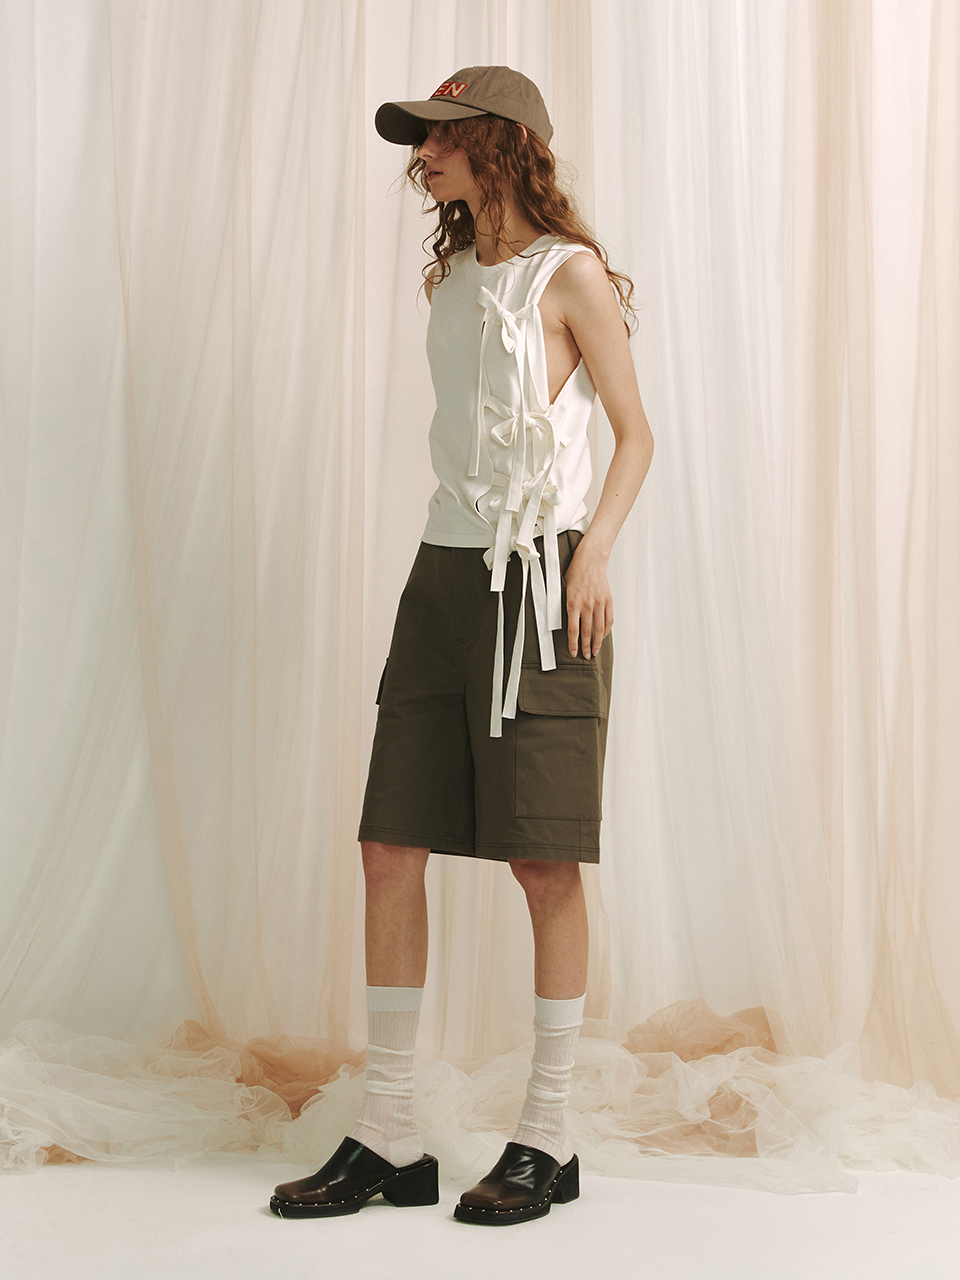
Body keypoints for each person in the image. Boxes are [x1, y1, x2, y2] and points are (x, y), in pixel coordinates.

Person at [271, 65, 653, 1226]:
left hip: (544, 580)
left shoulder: (569, 273)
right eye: (420, 141)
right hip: (442, 577)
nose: (422, 157)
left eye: (442, 138)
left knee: (543, 858)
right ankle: (390, 1131)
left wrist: (593, 553)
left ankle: (549, 1132)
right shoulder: (451, 278)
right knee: (390, 842)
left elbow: (635, 433)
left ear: (502, 145)